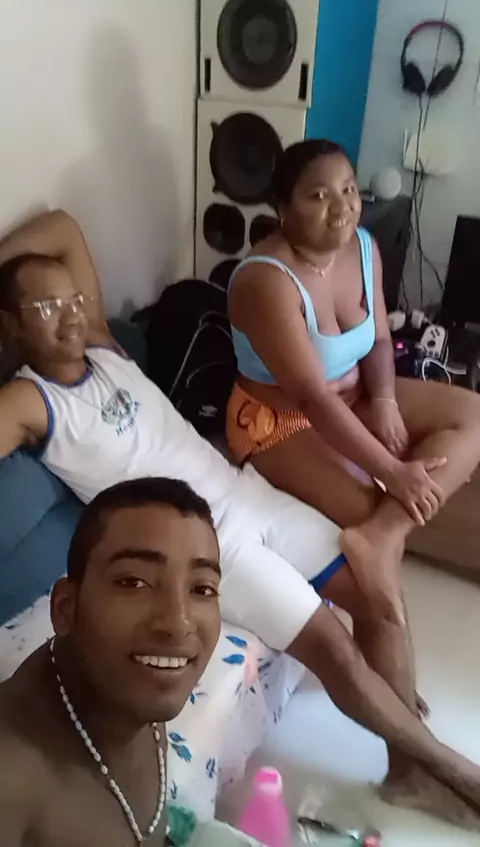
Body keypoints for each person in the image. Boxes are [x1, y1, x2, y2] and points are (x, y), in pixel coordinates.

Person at [1, 210, 480, 827]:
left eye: (71, 300)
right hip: (208, 546)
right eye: (45, 308)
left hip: (245, 493)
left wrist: (47, 295)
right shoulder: (28, 401)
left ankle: (409, 767)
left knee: (376, 590)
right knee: (335, 652)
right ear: (10, 324)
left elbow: (63, 226)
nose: (69, 315)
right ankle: (446, 768)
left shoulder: (100, 344)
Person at [227, 138, 480, 623]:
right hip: (280, 420)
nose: (341, 206)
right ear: (282, 208)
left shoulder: (363, 246)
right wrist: (393, 470)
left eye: (347, 189)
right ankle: (380, 531)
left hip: (354, 394)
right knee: (375, 500)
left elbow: (380, 338)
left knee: (472, 414)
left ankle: (381, 537)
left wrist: (384, 400)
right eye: (318, 196)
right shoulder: (265, 281)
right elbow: (312, 398)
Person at [0, 476, 267, 846]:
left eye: (202, 588)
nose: (178, 623)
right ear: (65, 607)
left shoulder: (131, 695)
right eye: (134, 582)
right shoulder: (12, 779)